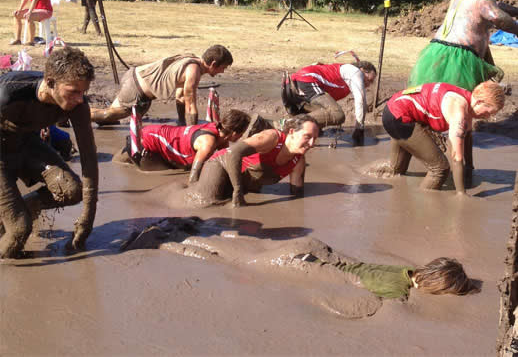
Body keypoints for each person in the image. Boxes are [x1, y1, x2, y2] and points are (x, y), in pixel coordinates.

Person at [120, 217, 479, 302]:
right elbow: (362, 288)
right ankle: (162, 243)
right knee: (225, 261)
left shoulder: (404, 268)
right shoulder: (397, 286)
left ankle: (186, 229)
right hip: (304, 263)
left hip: (313, 250)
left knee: (239, 250)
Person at [0, 47, 98, 258]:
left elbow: (89, 159)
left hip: (26, 142)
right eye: (73, 91)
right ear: (50, 82)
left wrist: (87, 220)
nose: (80, 99)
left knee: (71, 190)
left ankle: (22, 209)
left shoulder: (78, 105)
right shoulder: (8, 94)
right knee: (19, 230)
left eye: (84, 92)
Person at [408, 0, 518, 91]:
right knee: (458, 100)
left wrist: (516, 11)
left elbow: (497, 6)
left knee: (433, 97)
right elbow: (497, 17)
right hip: (460, 57)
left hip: (438, 51)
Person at [377, 81, 504, 194]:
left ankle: (370, 172)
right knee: (440, 169)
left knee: (396, 170)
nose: (488, 118)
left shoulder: (467, 99)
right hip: (398, 118)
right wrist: (461, 195)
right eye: (488, 112)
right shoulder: (458, 112)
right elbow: (457, 158)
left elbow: (468, 137)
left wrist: (470, 167)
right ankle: (421, 210)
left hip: (397, 108)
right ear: (479, 102)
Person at [186, 115, 319, 207]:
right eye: (307, 137)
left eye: (315, 138)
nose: (312, 143)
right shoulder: (272, 138)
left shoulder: (298, 162)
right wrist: (238, 190)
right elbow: (232, 153)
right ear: (291, 132)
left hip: (239, 185)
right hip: (221, 164)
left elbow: (297, 195)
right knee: (202, 203)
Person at [90, 45, 233, 126]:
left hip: (135, 79)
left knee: (109, 119)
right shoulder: (194, 71)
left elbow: (180, 96)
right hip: (136, 88)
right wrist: (192, 132)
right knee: (112, 114)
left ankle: (92, 117)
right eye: (223, 67)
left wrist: (182, 122)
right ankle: (78, 114)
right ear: (214, 64)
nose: (223, 71)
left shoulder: (193, 60)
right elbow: (190, 105)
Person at [113, 109, 250, 182]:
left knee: (119, 161)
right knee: (166, 173)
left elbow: (226, 159)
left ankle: (123, 157)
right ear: (233, 132)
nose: (241, 137)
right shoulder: (208, 143)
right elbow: (194, 174)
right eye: (241, 134)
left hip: (144, 133)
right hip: (142, 147)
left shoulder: (218, 130)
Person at [280, 61, 376, 145]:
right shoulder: (355, 71)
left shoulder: (344, 81)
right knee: (338, 114)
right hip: (307, 82)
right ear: (362, 70)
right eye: (369, 79)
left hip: (295, 88)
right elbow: (361, 100)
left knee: (314, 130)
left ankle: (291, 124)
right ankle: (288, 123)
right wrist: (360, 128)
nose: (369, 84)